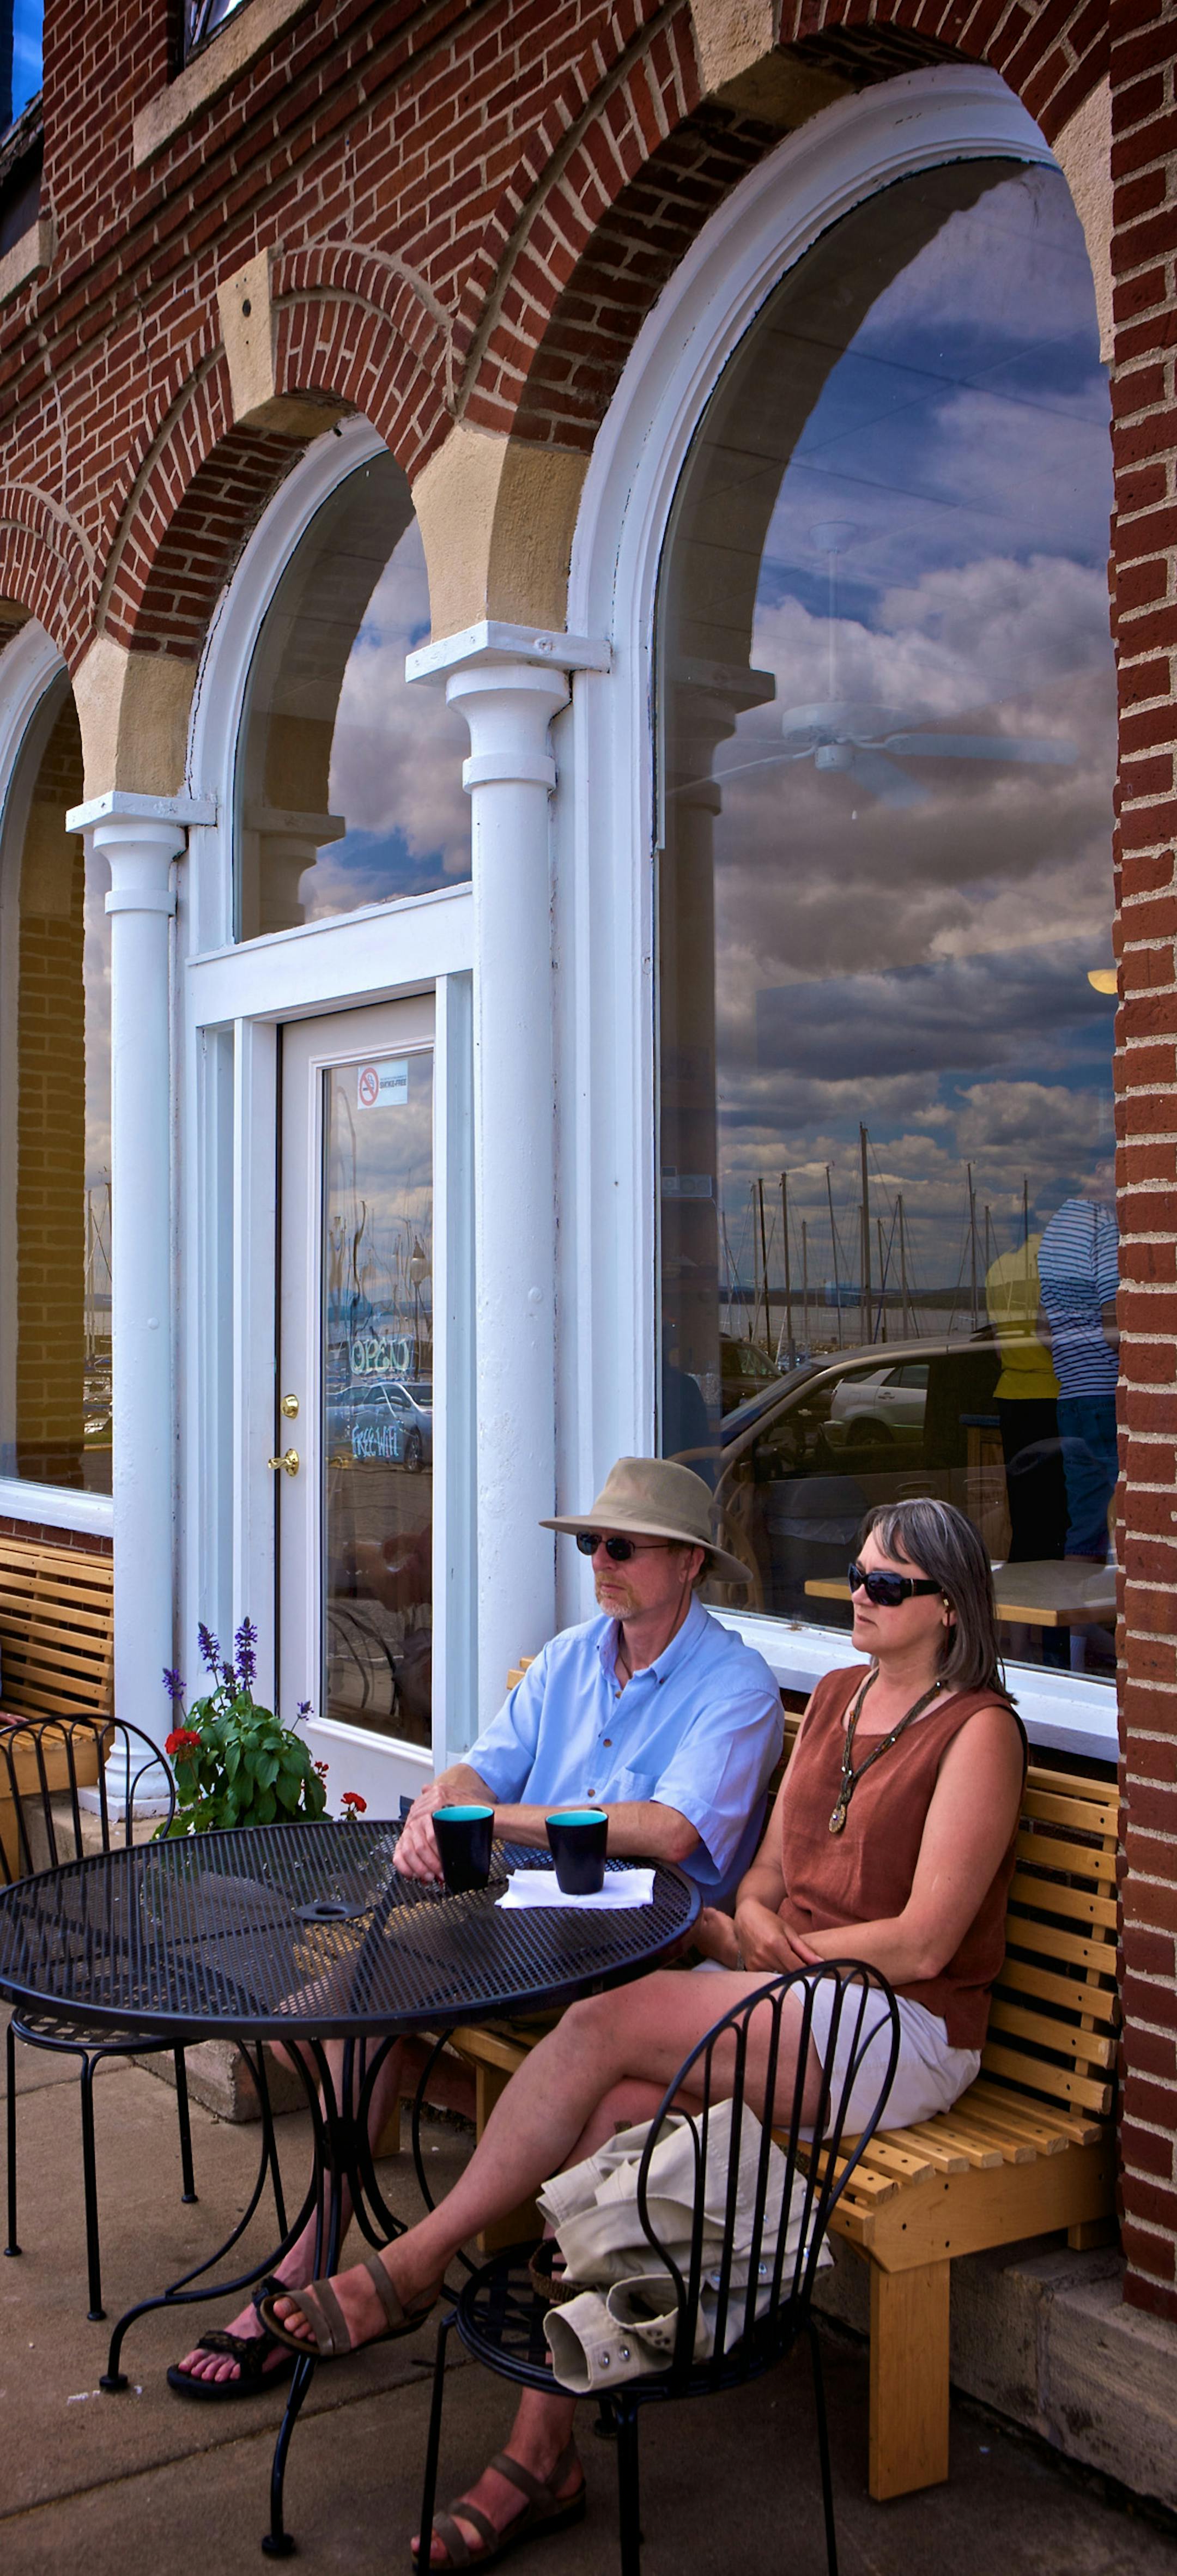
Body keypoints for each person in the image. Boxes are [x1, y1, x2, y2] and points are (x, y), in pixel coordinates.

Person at [259, 1498, 1026, 2571]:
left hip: (892, 2022)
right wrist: (755, 1922)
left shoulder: (979, 1729)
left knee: (602, 2025)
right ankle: (541, 2456)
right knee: (614, 2114)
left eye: (887, 1586)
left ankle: (412, 2264)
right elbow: (760, 1873)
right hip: (780, 1990)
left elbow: (926, 1941)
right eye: (855, 1573)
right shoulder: (844, 1696)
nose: (860, 1594)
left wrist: (773, 1954)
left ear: (948, 1609)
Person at [170, 1456, 781, 2397]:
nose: (599, 1562)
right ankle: (314, 2250)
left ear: (690, 1564)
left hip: (639, 1955)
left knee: (361, 2010)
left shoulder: (734, 1686)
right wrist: (440, 1809)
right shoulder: (576, 1656)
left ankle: (389, 2267)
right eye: (590, 1543)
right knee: (353, 1998)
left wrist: (491, 1823)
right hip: (521, 1922)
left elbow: (673, 1831)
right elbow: (477, 1770)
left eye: (621, 1547)